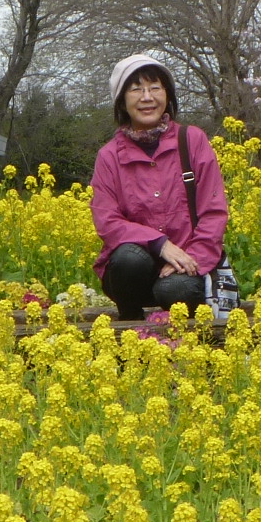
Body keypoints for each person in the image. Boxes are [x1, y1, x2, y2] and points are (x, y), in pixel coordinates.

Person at [91, 53, 229, 321]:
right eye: (136, 89)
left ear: (167, 95)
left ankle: (191, 350)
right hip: (132, 276)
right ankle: (129, 332)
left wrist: (190, 257)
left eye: (155, 88)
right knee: (129, 260)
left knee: (175, 288)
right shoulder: (109, 157)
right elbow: (107, 221)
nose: (147, 97)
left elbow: (213, 212)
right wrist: (159, 244)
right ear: (121, 100)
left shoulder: (192, 141)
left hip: (186, 266)